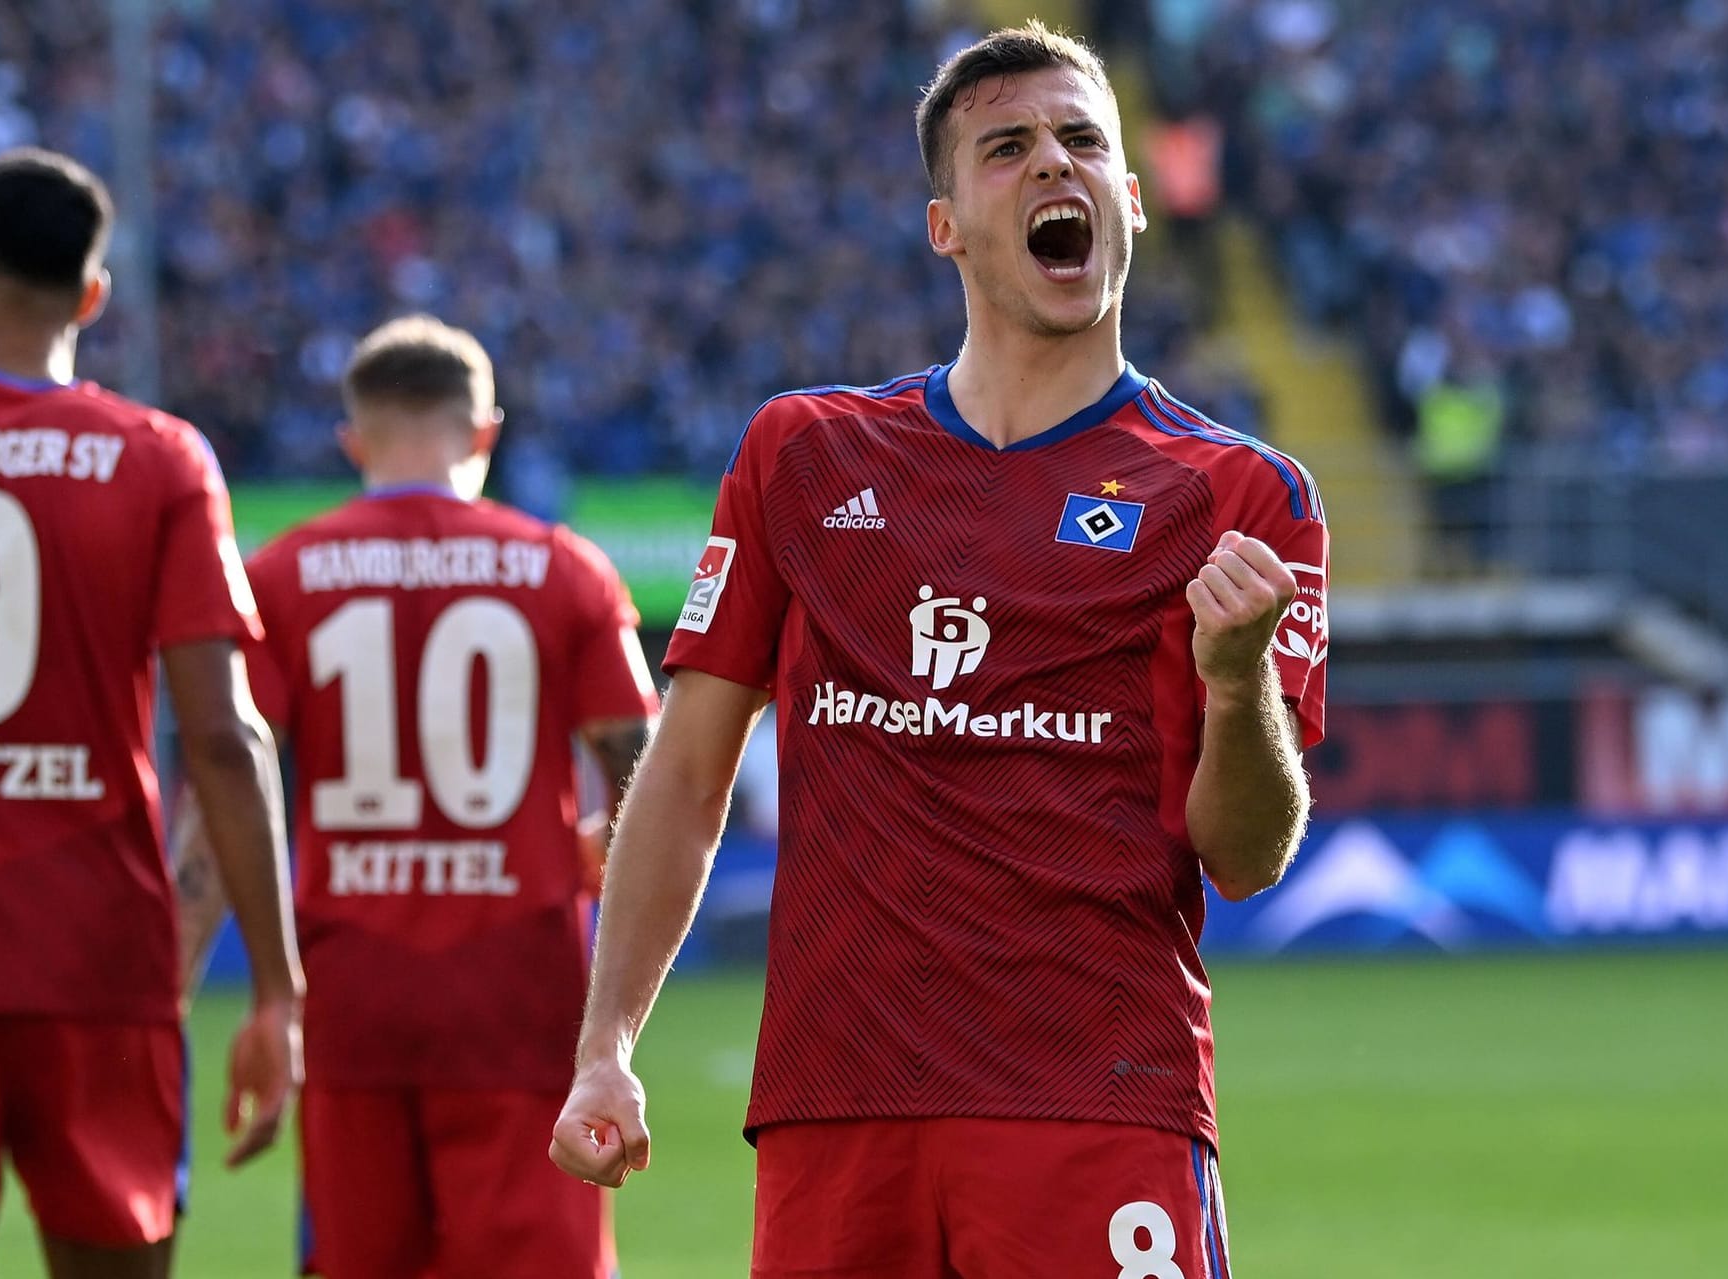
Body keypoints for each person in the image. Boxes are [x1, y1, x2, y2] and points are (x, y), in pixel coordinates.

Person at [550, 22, 1329, 1278]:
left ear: (1129, 202)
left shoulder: (1240, 495)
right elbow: (686, 775)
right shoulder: (803, 456)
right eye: (1006, 149)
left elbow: (1247, 856)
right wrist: (608, 1042)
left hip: (1099, 1100)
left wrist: (1236, 687)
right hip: (839, 1110)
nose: (1052, 168)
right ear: (947, 226)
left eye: (1082, 141)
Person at [0, 148, 304, 1279]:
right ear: (93, 296)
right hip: (95, 953)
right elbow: (226, 741)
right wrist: (280, 990)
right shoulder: (159, 463)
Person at [178, 315, 656, 1279]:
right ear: (485, 433)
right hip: (523, 995)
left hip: (354, 996)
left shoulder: (283, 576)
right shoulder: (563, 569)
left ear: (353, 441)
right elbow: (645, 769)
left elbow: (229, 775)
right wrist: (608, 842)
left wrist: (174, 988)